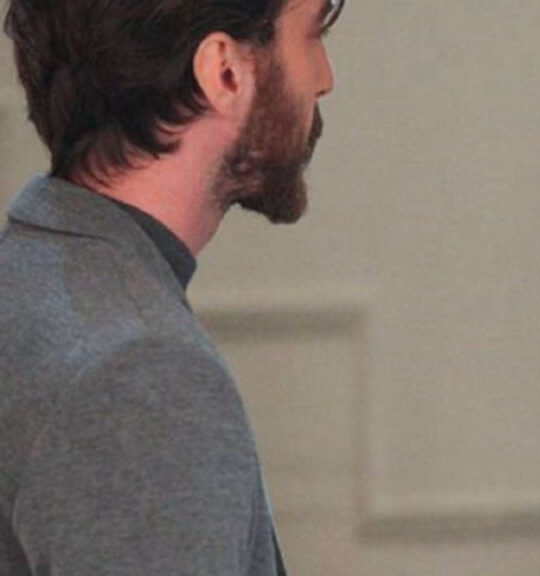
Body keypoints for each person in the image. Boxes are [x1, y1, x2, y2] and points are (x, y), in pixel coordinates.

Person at [0, 0, 343, 573]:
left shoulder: (25, 279)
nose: (324, 78)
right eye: (312, 35)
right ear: (223, 71)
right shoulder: (142, 378)